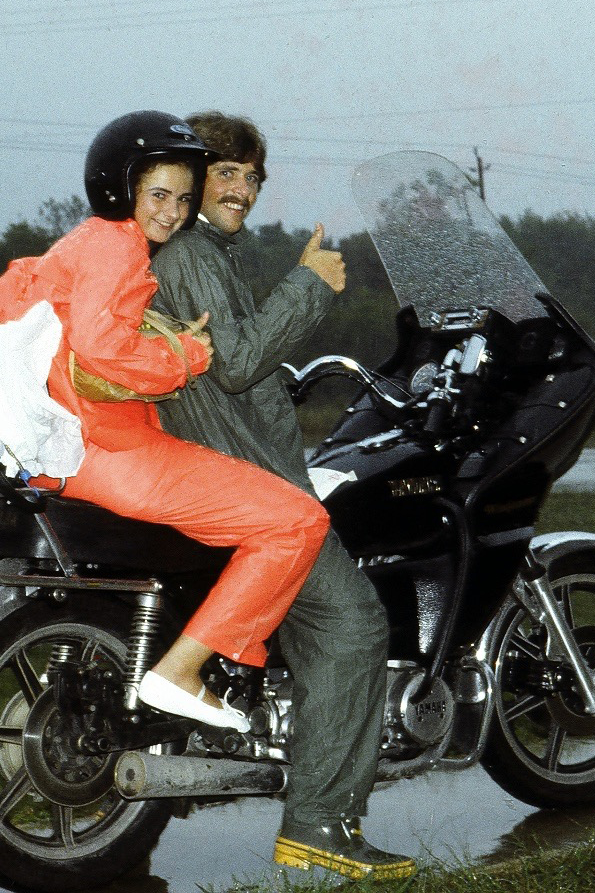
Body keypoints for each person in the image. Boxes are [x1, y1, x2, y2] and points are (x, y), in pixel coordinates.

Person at [0, 110, 327, 733]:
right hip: (111, 450)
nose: (173, 212)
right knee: (297, 520)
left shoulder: (75, 245)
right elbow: (106, 351)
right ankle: (182, 670)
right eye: (158, 194)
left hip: (65, 451)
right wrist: (191, 352)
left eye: (184, 198)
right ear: (119, 187)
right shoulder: (115, 242)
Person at [150, 111, 412, 880]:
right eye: (227, 173)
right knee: (355, 625)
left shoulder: (203, 254)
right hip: (246, 481)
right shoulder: (193, 251)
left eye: (254, 177)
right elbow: (235, 362)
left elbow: (234, 360)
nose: (243, 189)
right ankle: (321, 826)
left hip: (232, 466)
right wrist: (308, 285)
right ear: (195, 177)